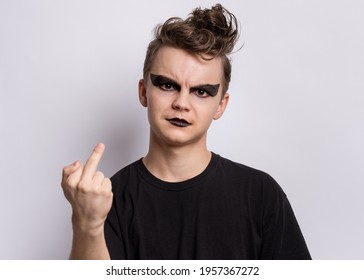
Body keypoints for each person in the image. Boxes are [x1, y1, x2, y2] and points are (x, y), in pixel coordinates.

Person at [61, 4, 311, 260]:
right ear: (144, 92)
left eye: (201, 91)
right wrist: (87, 223)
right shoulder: (106, 198)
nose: (182, 103)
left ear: (220, 105)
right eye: (168, 85)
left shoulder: (261, 194)